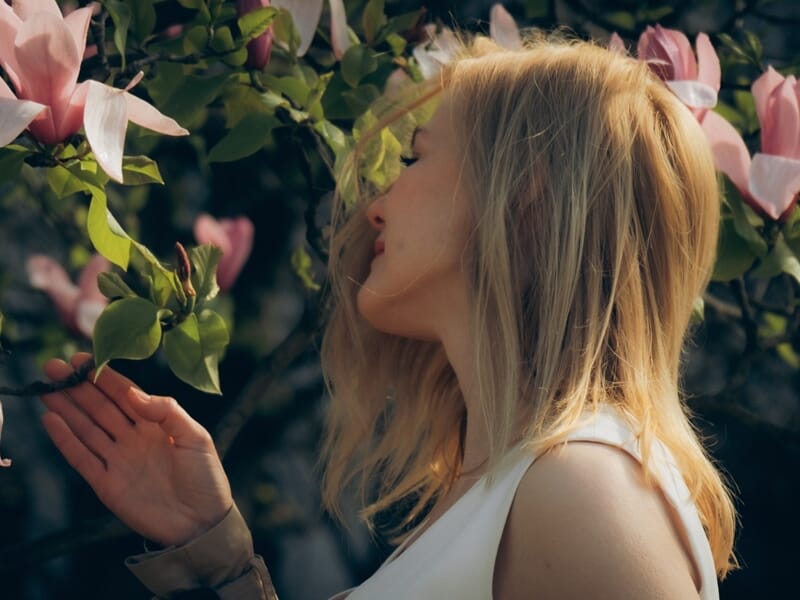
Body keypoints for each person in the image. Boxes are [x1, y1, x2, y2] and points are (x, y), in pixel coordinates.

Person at [39, 33, 737, 599]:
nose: (378, 201)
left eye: (417, 156)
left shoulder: (582, 492)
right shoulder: (507, 490)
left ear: (523, 196)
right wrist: (219, 557)